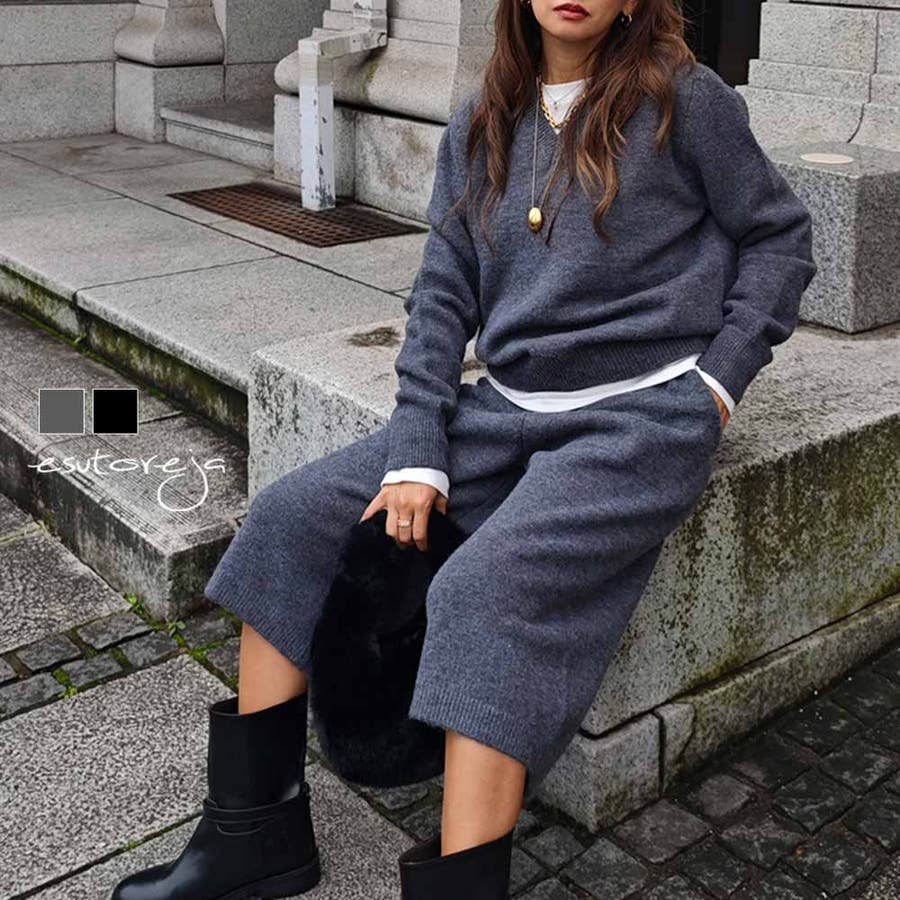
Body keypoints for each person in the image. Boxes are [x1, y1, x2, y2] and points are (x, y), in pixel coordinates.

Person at [112, 0, 817, 897]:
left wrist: (718, 382)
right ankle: (255, 834)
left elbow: (780, 235)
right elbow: (441, 294)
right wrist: (418, 446)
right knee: (292, 516)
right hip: (505, 406)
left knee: (483, 592)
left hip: (641, 419)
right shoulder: (482, 119)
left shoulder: (685, 98)